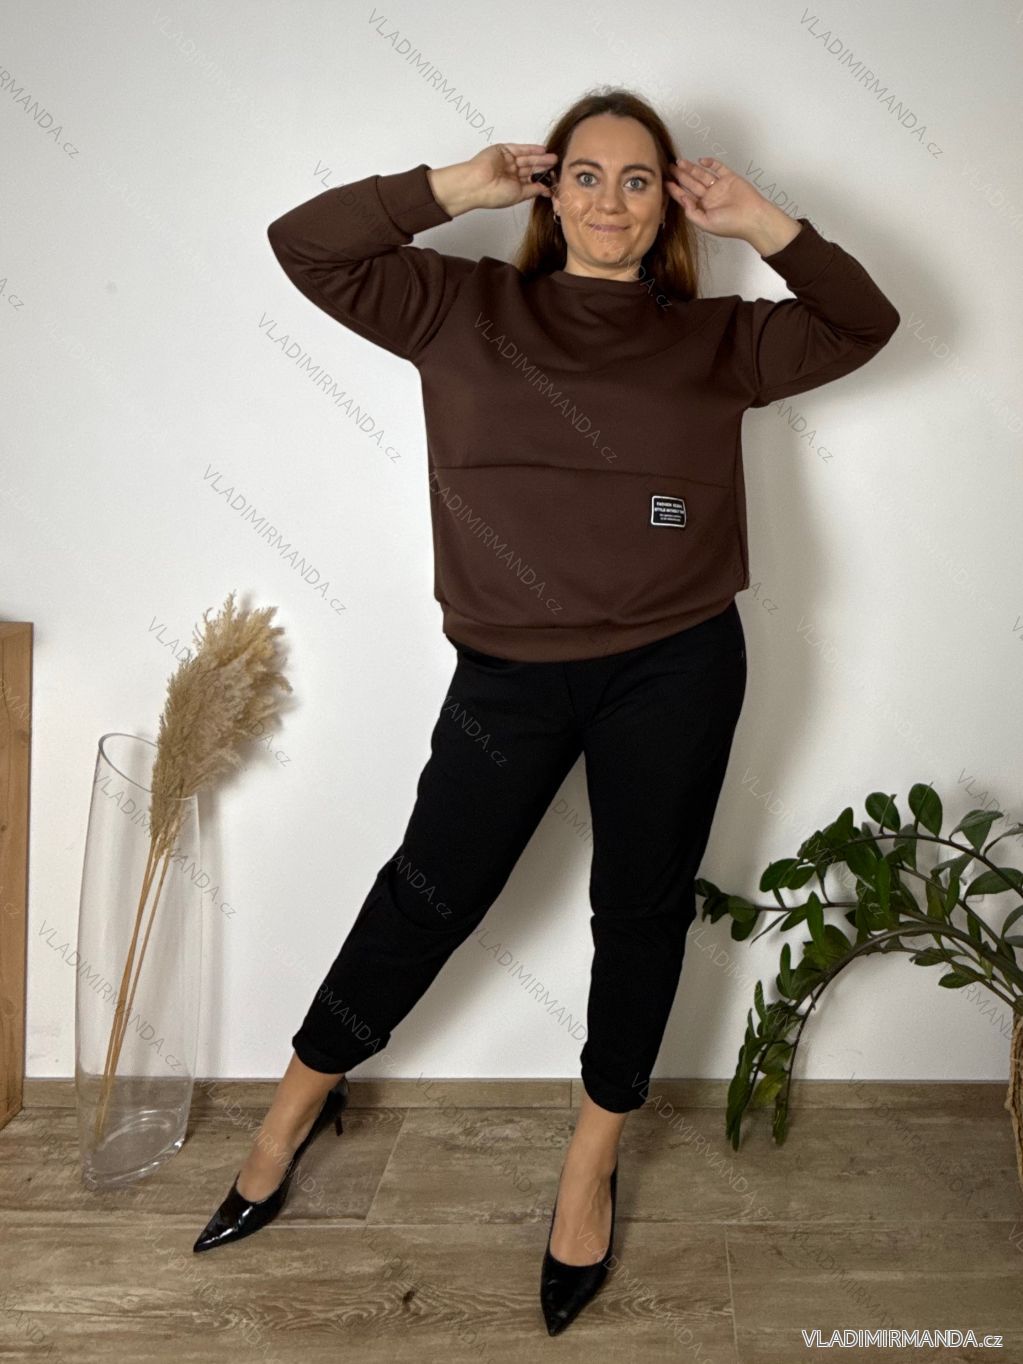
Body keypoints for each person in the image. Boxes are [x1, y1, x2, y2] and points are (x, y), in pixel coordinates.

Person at [193, 87, 899, 1336]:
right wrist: (446, 189)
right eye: (586, 173)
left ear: (668, 202)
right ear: (548, 188)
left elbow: (865, 320)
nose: (610, 199)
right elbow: (305, 245)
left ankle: (591, 1158)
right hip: (507, 675)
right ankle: (294, 1106)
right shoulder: (460, 306)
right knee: (428, 895)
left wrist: (762, 220)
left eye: (639, 178)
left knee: (638, 910)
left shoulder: (717, 338)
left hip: (676, 665)